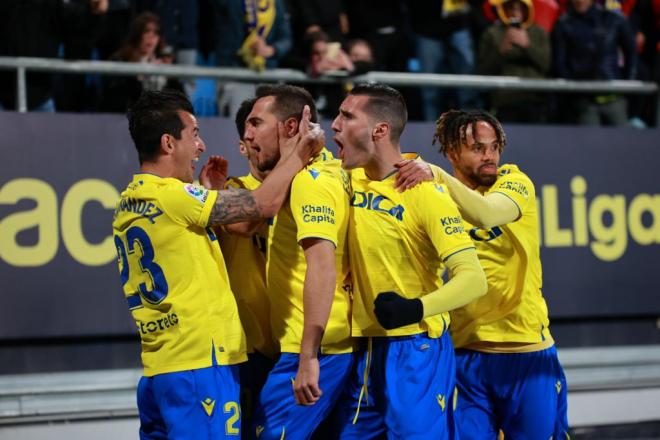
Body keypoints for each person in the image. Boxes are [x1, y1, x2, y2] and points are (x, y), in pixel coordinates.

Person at [112, 89, 322, 438]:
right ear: (168, 143)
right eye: (194, 135)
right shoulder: (174, 196)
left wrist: (208, 193)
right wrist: (299, 152)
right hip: (201, 364)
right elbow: (262, 206)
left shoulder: (129, 201)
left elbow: (241, 224)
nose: (201, 146)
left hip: (160, 367)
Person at [331, 83, 487, 438]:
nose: (335, 125)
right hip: (363, 347)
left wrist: (414, 308)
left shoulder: (424, 192)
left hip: (416, 347)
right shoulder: (344, 180)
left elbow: (473, 279)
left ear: (380, 130)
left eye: (347, 115)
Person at [404, 109, 569, 438]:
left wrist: (436, 175)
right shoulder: (434, 199)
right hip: (467, 356)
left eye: (494, 147)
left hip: (527, 352)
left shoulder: (515, 182)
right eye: (478, 148)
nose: (489, 156)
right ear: (453, 151)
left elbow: (486, 214)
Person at [242, 84, 354, 439]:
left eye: (256, 123)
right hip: (326, 345)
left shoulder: (310, 182)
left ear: (291, 128)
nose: (247, 135)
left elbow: (322, 267)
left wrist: (308, 357)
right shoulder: (331, 172)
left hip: (313, 350)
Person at [216, 97, 277, 429]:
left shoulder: (312, 189)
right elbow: (249, 221)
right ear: (243, 146)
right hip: (248, 350)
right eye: (251, 129)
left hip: (296, 345)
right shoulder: (230, 191)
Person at [553, 0, 637, 125]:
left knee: (624, 141)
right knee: (589, 142)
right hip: (583, 101)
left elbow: (631, 54)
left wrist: (626, 86)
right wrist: (574, 91)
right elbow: (559, 63)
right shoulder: (563, 24)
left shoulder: (613, 19)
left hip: (615, 98)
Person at [478, 0, 552, 123]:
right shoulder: (491, 33)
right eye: (510, 8)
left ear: (527, 9)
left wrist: (527, 46)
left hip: (535, 99)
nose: (514, 13)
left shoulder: (539, 32)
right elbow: (483, 71)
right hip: (505, 101)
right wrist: (501, 51)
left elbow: (546, 65)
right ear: (503, 9)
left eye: (519, 8)